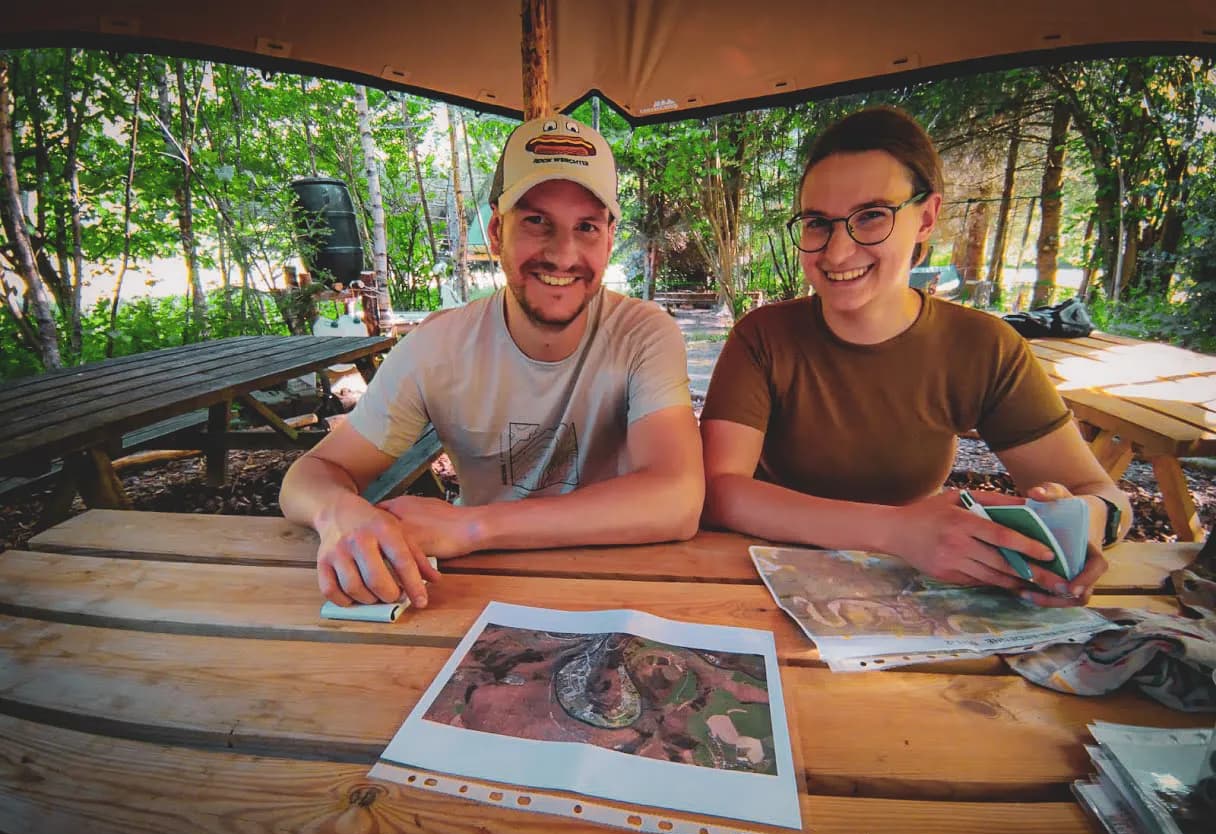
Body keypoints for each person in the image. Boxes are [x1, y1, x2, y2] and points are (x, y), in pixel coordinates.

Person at [700, 106, 1131, 606]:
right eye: (818, 223)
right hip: (760, 572)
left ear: (926, 218)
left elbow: (1100, 493)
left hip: (911, 587)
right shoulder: (763, 336)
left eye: (871, 217)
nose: (838, 252)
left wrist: (1082, 525)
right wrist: (898, 530)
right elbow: (720, 491)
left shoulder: (984, 347)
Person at [282, 115, 703, 606]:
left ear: (609, 238)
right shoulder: (436, 348)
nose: (563, 255)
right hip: (475, 593)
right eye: (536, 221)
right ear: (498, 229)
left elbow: (677, 500)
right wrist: (340, 513)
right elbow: (312, 474)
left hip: (619, 586)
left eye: (586, 227)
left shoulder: (643, 334)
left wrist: (472, 525)